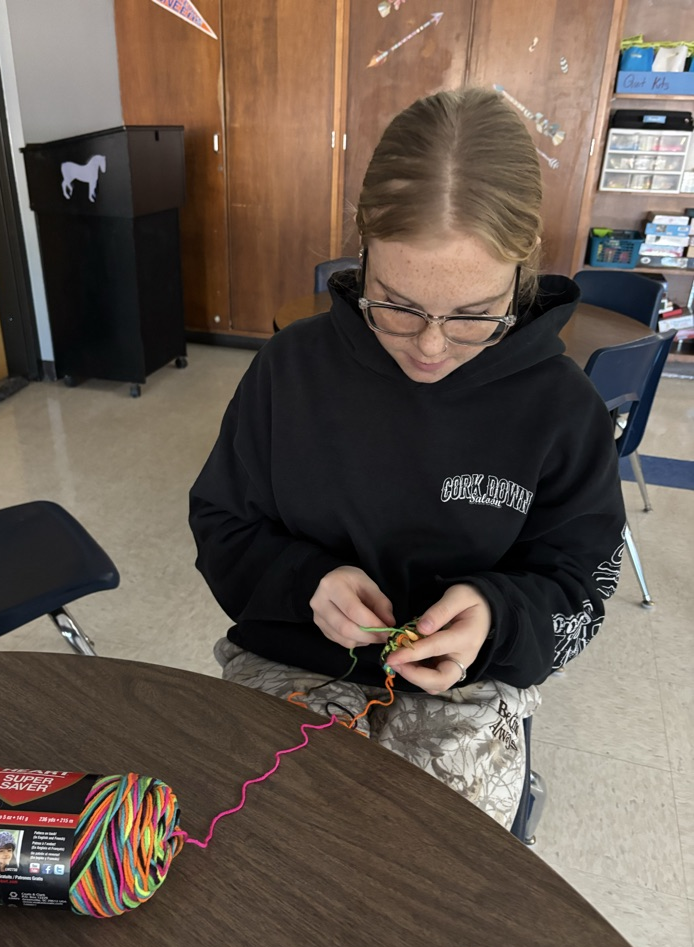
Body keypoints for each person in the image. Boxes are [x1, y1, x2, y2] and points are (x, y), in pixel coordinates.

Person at [189, 87, 625, 829]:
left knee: (433, 878)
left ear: (521, 278)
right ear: (362, 250)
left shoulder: (561, 407)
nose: (428, 348)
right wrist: (307, 584)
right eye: (396, 304)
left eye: (472, 316)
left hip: (467, 686)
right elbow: (223, 526)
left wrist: (497, 616)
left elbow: (581, 590)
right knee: (254, 853)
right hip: (291, 662)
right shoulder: (290, 369)